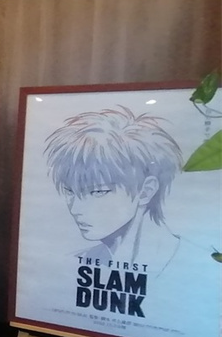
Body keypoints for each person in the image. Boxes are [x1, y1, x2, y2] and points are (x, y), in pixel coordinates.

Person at [44, 106, 183, 273]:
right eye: (69, 191)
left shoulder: (188, 264)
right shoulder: (77, 262)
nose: (75, 209)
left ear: (146, 191)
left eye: (98, 192)